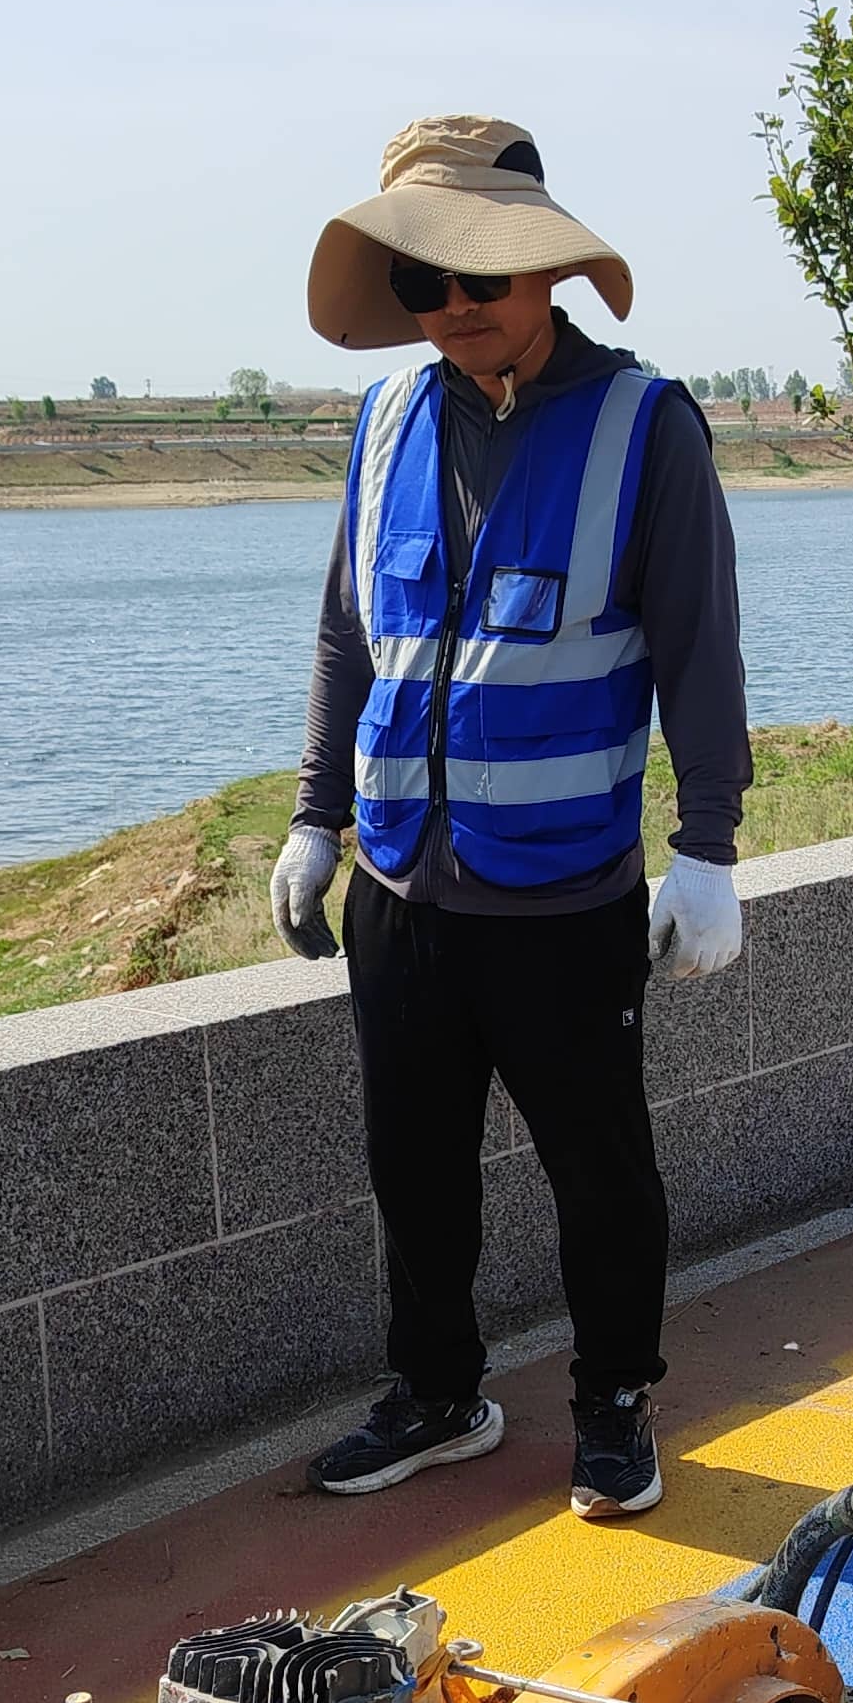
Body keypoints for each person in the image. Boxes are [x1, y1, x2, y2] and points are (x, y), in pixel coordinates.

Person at [276, 115, 750, 1518]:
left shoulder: (644, 426)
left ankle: (614, 1402)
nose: (456, 303)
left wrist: (708, 848)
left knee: (600, 1174)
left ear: (544, 268)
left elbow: (699, 650)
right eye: (424, 279)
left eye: (482, 271)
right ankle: (437, 1393)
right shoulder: (384, 425)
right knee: (412, 1170)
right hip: (401, 892)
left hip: (564, 896)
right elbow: (346, 638)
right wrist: (316, 819)